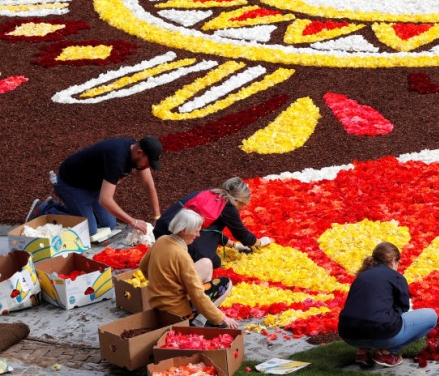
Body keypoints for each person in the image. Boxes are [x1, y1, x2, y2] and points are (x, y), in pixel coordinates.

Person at [28, 136, 163, 237]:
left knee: (108, 225)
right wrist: (133, 221)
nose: (148, 166)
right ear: (139, 152)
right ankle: (43, 209)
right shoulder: (116, 159)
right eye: (148, 162)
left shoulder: (136, 154)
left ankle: (58, 207)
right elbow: (105, 200)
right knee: (89, 231)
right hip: (72, 184)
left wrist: (157, 217)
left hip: (93, 186)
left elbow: (148, 184)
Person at [338, 241, 437, 368]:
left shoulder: (362, 276)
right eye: (398, 263)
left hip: (349, 334)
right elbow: (403, 308)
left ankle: (362, 351)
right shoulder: (395, 277)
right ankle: (386, 353)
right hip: (383, 334)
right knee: (431, 316)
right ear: (393, 260)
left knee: (367, 314)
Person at [153, 177, 272, 283]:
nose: (241, 209)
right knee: (213, 263)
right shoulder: (228, 206)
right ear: (239, 201)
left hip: (161, 230)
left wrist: (234, 246)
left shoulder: (208, 193)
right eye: (243, 206)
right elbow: (242, 234)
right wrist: (261, 242)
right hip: (177, 236)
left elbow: (211, 230)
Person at [139, 208, 239, 329]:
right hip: (178, 313)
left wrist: (161, 284)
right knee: (226, 284)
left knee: (206, 263)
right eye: (196, 231)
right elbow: (198, 295)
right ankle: (197, 319)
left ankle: (201, 313)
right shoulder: (182, 256)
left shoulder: (162, 240)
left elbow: (143, 266)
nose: (198, 235)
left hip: (157, 305)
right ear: (183, 231)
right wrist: (222, 317)